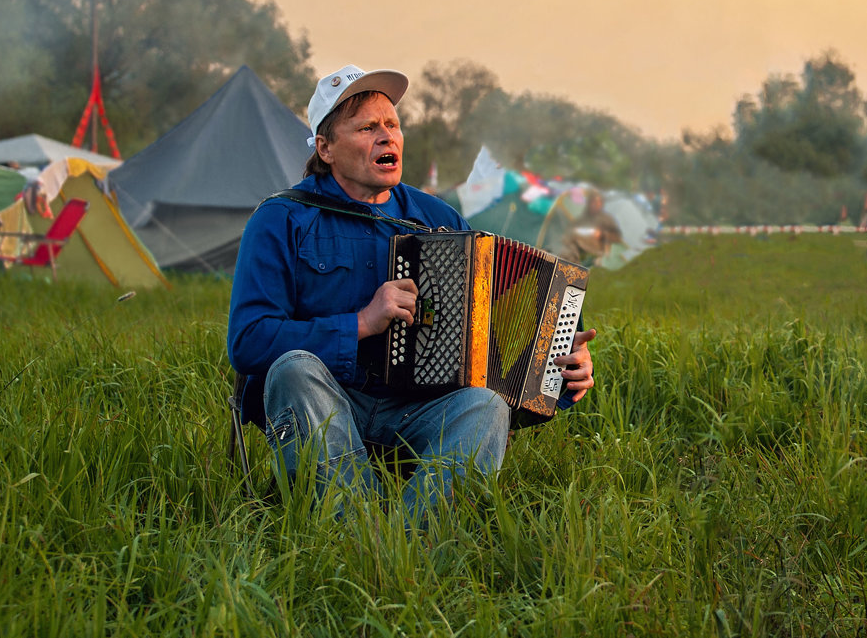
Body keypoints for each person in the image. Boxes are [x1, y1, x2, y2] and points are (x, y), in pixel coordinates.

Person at [227, 64, 596, 521]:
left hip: (414, 411)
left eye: (392, 125)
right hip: (327, 402)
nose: (387, 137)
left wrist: (559, 372)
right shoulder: (281, 219)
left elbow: (489, 338)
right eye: (367, 127)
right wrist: (361, 323)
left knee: (485, 405)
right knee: (293, 369)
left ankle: (410, 543)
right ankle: (358, 536)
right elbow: (248, 342)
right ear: (325, 148)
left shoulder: (437, 218)